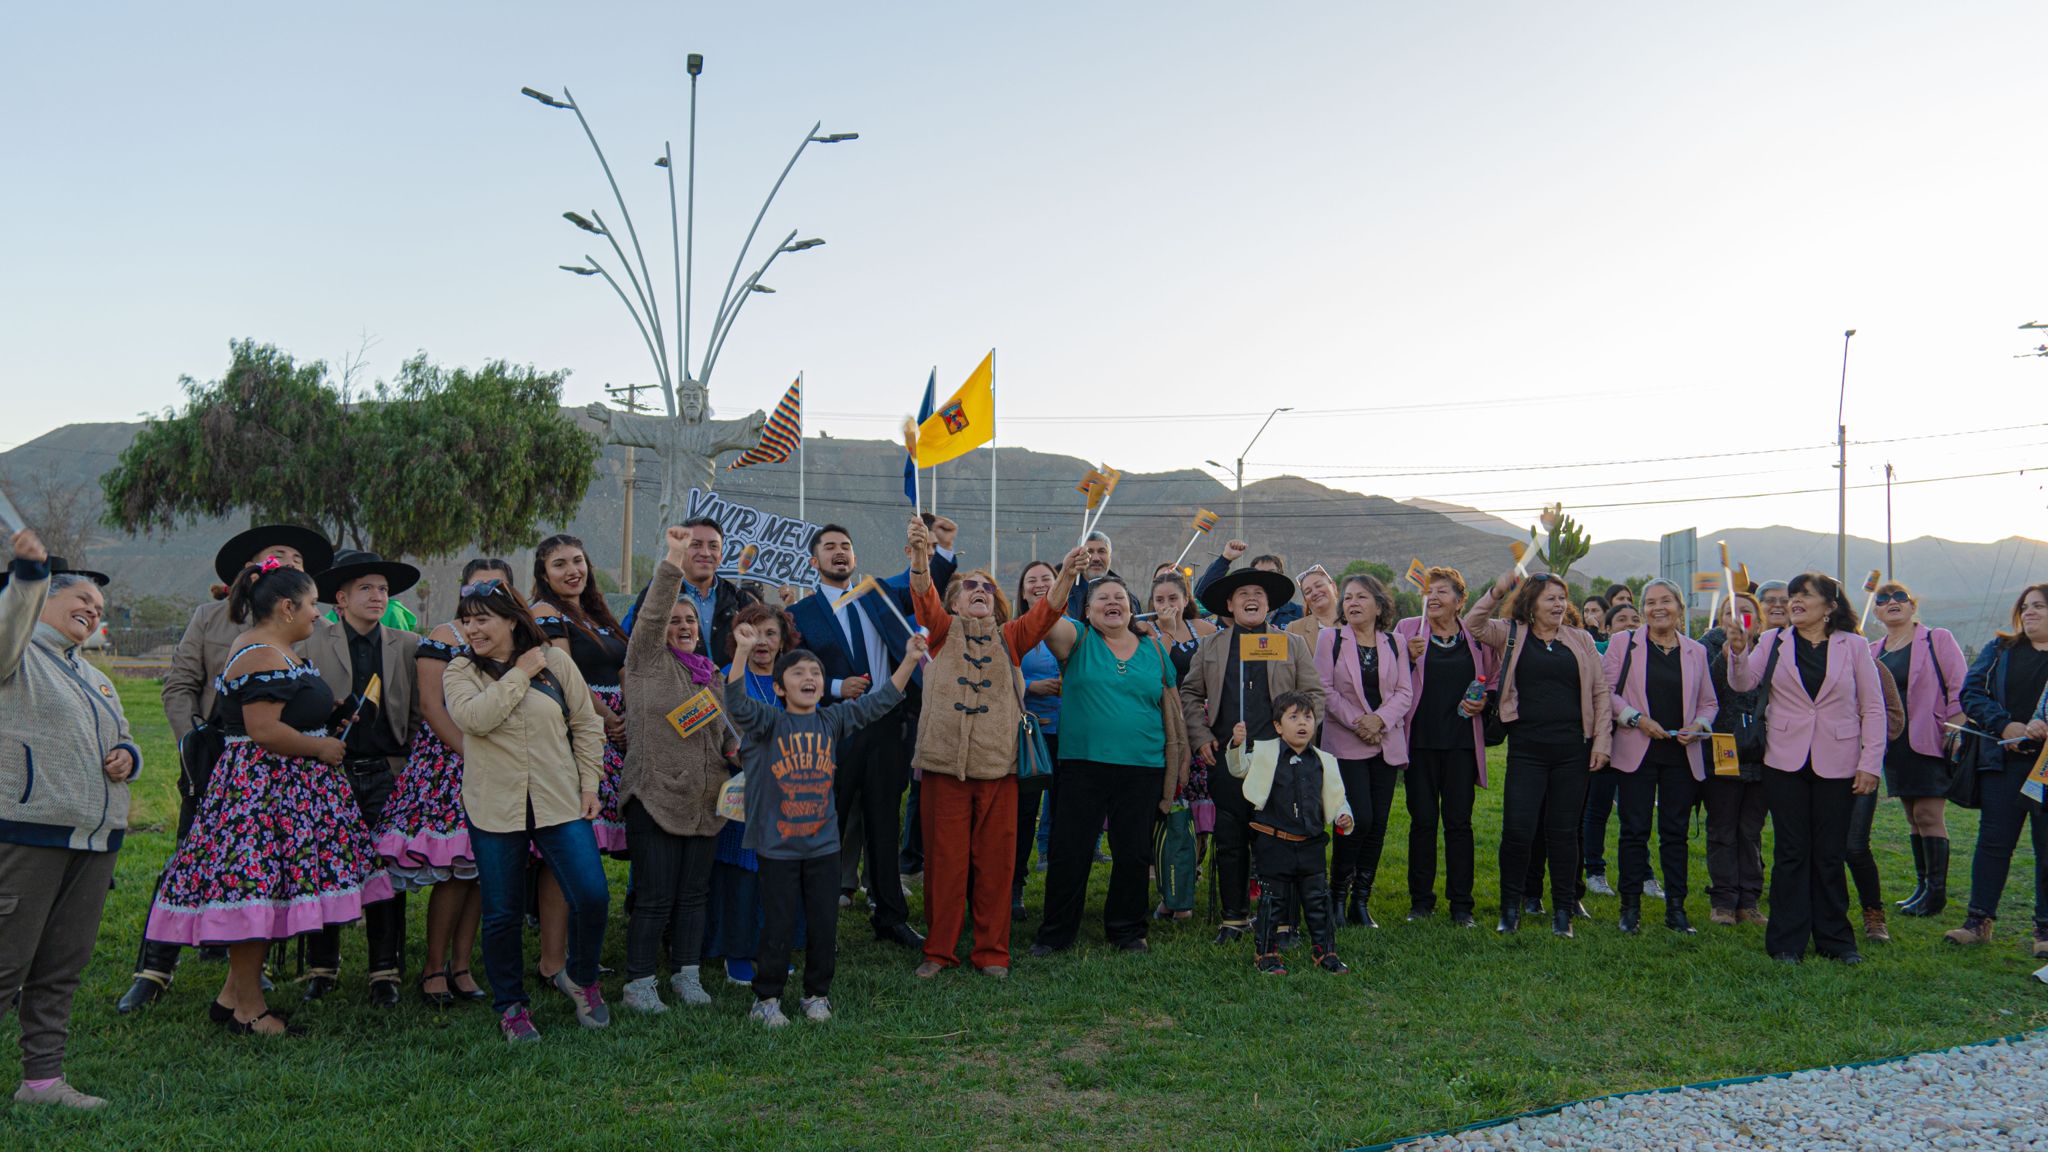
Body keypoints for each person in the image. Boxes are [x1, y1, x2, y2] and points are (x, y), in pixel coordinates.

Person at [145, 560, 394, 1037]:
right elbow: (262, 730)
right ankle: (250, 1012)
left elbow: (286, 711)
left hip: (283, 790)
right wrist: (321, 746)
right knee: (253, 895)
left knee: (265, 893)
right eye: (312, 606)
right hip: (263, 794)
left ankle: (230, 998)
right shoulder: (261, 654)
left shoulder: (273, 649)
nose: (318, 617)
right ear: (285, 607)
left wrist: (332, 716)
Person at [122, 523, 334, 1013]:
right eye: (279, 555)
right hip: (222, 761)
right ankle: (155, 969)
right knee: (194, 857)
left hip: (285, 767)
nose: (291, 562)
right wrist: (195, 744)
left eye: (297, 557)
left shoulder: (314, 625)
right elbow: (180, 685)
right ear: (254, 567)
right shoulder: (211, 618)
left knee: (264, 869)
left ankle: (246, 979)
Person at [724, 623, 925, 1027]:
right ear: (780, 689)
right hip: (778, 848)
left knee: (822, 923)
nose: (809, 678)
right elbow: (736, 702)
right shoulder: (768, 723)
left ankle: (817, 995)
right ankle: (766, 999)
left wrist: (909, 660)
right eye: (798, 673)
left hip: (823, 847)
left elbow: (880, 701)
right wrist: (743, 652)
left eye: (815, 673)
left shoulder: (832, 721)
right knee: (778, 924)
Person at [907, 522, 1082, 979]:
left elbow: (1046, 613)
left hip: (999, 769)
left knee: (996, 866)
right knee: (944, 865)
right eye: (970, 586)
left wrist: (1065, 575)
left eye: (987, 587)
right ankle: (939, 951)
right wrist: (921, 559)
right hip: (944, 767)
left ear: (998, 602)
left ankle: (992, 953)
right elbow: (923, 599)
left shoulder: (1011, 637)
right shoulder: (941, 631)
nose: (979, 590)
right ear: (953, 601)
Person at [0, 532, 135, 1109]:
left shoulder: (95, 675)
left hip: (94, 841)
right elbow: (9, 620)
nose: (93, 610)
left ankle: (42, 1083)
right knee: (6, 964)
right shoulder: (16, 651)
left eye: (100, 609)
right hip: (27, 835)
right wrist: (26, 576)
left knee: (60, 969)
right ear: (43, 600)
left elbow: (123, 733)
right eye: (81, 598)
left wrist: (130, 755)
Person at [442, 579, 610, 1041]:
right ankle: (512, 1005)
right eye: (467, 620)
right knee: (502, 912)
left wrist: (589, 783)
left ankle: (581, 977)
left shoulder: (555, 662)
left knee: (592, 895)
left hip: (559, 800)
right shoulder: (459, 671)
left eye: (483, 619)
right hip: (495, 807)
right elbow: (475, 719)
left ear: (512, 619)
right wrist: (519, 673)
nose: (472, 629)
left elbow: (586, 723)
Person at [785, 519, 958, 951]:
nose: (839, 552)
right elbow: (787, 674)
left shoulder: (878, 593)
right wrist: (837, 688)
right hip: (833, 730)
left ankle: (890, 916)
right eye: (829, 547)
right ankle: (813, 917)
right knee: (829, 825)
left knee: (884, 824)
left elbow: (925, 588)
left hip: (887, 729)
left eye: (846, 546)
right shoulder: (799, 614)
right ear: (814, 560)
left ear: (854, 557)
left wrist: (934, 551)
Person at [1725, 571, 1886, 964]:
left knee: (1829, 853)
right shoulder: (1771, 640)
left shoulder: (1854, 646)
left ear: (1830, 607)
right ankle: (1786, 942)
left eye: (1804, 596)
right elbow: (1743, 684)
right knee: (1792, 852)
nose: (1793, 602)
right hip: (1784, 759)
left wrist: (1870, 763)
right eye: (1791, 595)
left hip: (1841, 760)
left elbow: (1873, 707)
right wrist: (1738, 651)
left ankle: (1836, 940)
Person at [373, 557, 512, 1006]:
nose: (487, 593)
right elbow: (432, 708)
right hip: (452, 763)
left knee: (481, 874)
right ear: (464, 590)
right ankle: (433, 968)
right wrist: (474, 756)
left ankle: (462, 966)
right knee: (454, 873)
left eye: (497, 586)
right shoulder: (443, 637)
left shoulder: (514, 638)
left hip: (501, 762)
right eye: (479, 586)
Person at [1030, 577, 1190, 956]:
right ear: (1086, 610)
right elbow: (1044, 619)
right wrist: (1065, 578)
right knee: (1071, 850)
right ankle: (1055, 934)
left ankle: (1127, 931)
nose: (1112, 602)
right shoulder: (1077, 639)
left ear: (1131, 608)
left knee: (1133, 852)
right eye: (1102, 598)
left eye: (1120, 597)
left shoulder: (1152, 647)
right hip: (1083, 764)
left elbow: (1170, 702)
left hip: (1143, 765)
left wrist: (1178, 757)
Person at [618, 527, 736, 1013]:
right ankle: (639, 984)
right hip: (655, 795)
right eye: (674, 620)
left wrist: (738, 751)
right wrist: (673, 555)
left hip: (706, 800)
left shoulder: (709, 675)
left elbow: (721, 734)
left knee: (693, 895)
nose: (684, 625)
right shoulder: (646, 661)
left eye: (690, 620)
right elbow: (655, 608)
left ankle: (686, 975)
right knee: (655, 896)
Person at [301, 549, 423, 1006]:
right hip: (330, 772)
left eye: (383, 590)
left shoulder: (406, 644)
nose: (377, 597)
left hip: (387, 773)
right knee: (326, 866)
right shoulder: (310, 643)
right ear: (341, 598)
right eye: (366, 589)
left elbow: (416, 712)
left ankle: (384, 970)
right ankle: (322, 966)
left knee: (385, 872)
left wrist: (405, 760)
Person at [1179, 566, 1324, 944]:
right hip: (1229, 758)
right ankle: (1234, 918)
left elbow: (1314, 694)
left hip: (1278, 759)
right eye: (1242, 593)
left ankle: (1280, 921)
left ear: (1269, 603)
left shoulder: (1291, 644)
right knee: (1230, 839)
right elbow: (1190, 694)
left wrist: (1299, 735)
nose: (1251, 598)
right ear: (1229, 604)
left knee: (1279, 842)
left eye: (1258, 592)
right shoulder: (1210, 646)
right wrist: (1200, 736)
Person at [1465, 570, 1612, 937]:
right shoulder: (1512, 633)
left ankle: (1563, 911)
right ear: (1531, 603)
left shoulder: (1580, 640)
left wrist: (1602, 743)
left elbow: (1600, 694)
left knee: (1563, 833)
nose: (1559, 604)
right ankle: (1509, 909)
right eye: (1550, 598)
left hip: (1572, 751)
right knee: (1517, 831)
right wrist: (1498, 589)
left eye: (1562, 598)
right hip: (1527, 750)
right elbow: (1473, 624)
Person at [1603, 579, 1718, 935]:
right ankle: (1630, 908)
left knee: (1675, 833)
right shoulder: (1625, 644)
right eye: (1650, 602)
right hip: (1637, 750)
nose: (1658, 608)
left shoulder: (1695, 651)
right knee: (1634, 831)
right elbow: (1606, 692)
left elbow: (1709, 702)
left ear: (1680, 607)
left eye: (1665, 600)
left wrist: (1698, 725)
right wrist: (1637, 719)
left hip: (1681, 755)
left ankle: (1676, 909)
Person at [1946, 583, 2048, 955]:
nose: (2030, 612)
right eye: (2026, 606)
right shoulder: (2002, 649)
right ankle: (1978, 921)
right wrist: (2006, 725)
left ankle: (2045, 931)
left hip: (2047, 767)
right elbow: (1971, 692)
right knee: (1993, 843)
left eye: (2039, 606)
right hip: (2003, 762)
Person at [1392, 567, 1492, 927]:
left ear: (1460, 601)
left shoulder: (1475, 639)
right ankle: (1421, 902)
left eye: (1443, 591)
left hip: (1462, 745)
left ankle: (1462, 905)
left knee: (1459, 824)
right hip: (1419, 743)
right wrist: (1409, 657)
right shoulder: (1407, 630)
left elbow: (1491, 680)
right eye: (1428, 591)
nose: (1433, 597)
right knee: (1422, 823)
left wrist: (1484, 702)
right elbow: (1389, 676)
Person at [709, 599, 802, 985]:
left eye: (770, 633)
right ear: (737, 638)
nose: (762, 641)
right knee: (743, 878)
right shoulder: (726, 676)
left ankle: (774, 947)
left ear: (783, 641)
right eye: (753, 632)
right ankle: (737, 954)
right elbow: (717, 733)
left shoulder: (793, 678)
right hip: (743, 795)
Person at [1226, 693, 1354, 975]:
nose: (1302, 723)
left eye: (1307, 717)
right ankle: (1267, 954)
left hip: (1311, 845)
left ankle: (1325, 952)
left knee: (1318, 900)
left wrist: (1344, 815)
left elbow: (1335, 794)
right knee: (1273, 901)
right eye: (1293, 717)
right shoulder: (1264, 754)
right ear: (1278, 726)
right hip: (1275, 843)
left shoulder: (1324, 760)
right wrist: (1237, 744)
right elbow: (1237, 768)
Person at [1313, 573, 1411, 929]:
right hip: (1346, 743)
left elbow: (1404, 692)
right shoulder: (1330, 639)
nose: (1352, 603)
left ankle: (1361, 902)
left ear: (1379, 605)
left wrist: (1379, 722)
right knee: (1357, 819)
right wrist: (1361, 722)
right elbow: (1323, 688)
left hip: (1385, 743)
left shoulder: (1396, 642)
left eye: (1361, 597)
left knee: (1379, 824)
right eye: (1349, 598)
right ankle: (1336, 895)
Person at [1867, 581, 1967, 924]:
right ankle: (1923, 887)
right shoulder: (1873, 650)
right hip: (1894, 745)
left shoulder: (1937, 639)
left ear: (1912, 605)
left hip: (1931, 738)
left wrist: (1955, 727)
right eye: (1883, 599)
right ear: (1877, 612)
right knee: (1912, 816)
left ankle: (1936, 893)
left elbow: (1959, 685)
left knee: (1928, 814)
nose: (1891, 602)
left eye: (1899, 598)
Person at [1148, 570, 1220, 918]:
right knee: (1170, 814)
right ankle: (1169, 888)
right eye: (1159, 600)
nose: (1166, 606)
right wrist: (1163, 637)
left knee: (1201, 814)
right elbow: (1156, 673)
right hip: (1167, 732)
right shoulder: (1147, 634)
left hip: (1201, 727)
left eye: (1172, 599)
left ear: (1185, 600)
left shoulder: (1204, 630)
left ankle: (1191, 877)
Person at [1704, 591, 1770, 927]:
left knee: (1750, 830)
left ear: (1758, 622)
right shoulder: (1711, 652)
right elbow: (1713, 689)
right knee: (1722, 829)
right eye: (1731, 612)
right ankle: (1723, 901)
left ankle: (1749, 900)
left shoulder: (1773, 655)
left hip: (1763, 754)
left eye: (1746, 612)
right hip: (1724, 752)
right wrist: (1732, 652)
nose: (1738, 617)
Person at [621, 515, 759, 662]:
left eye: (713, 546)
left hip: (730, 684)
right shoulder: (657, 597)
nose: (705, 553)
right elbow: (642, 644)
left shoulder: (741, 602)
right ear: (682, 551)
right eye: (696, 545)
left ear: (720, 557)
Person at [1012, 561, 1067, 920]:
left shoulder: (1072, 629)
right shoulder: (1015, 631)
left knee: (1065, 816)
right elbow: (1002, 675)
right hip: (1029, 736)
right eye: (1031, 580)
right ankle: (1015, 887)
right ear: (1022, 590)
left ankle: (1061, 892)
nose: (1038, 585)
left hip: (1069, 733)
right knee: (1022, 816)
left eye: (1046, 579)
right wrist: (1032, 687)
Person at [1195, 541, 1305, 629]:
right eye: (1260, 573)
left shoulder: (1298, 613)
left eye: (1271, 573)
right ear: (1230, 605)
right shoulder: (1236, 612)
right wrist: (1225, 558)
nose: (1266, 577)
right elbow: (1203, 594)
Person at [1066, 530, 1121, 618]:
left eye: (1102, 551)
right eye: (1089, 552)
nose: (1096, 558)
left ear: (1110, 558)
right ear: (1078, 557)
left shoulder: (1127, 597)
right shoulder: (1066, 598)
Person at [1285, 564, 1341, 645]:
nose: (1314, 592)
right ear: (1305, 600)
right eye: (1308, 592)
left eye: (1319, 586)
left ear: (1333, 586)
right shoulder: (1294, 629)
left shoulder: (1355, 620)